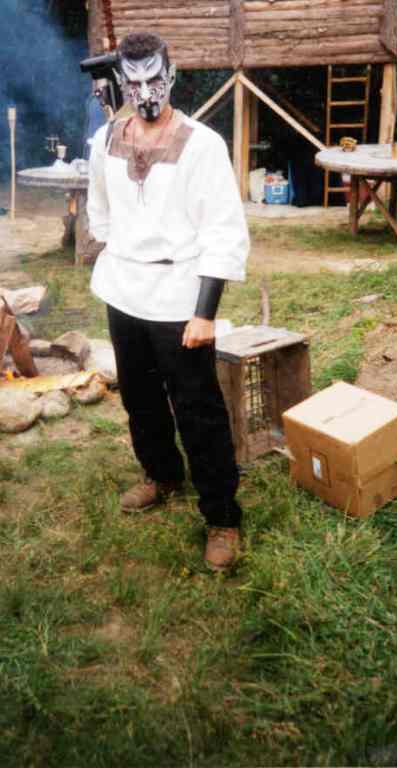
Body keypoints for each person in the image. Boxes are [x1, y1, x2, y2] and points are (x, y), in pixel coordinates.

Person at [87, 32, 250, 570]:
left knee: (197, 408)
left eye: (154, 79)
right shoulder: (106, 140)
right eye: (133, 82)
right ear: (121, 82)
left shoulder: (202, 145)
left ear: (171, 76)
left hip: (180, 298)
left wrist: (204, 312)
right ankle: (161, 474)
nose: (145, 92)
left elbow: (223, 231)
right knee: (139, 398)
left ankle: (222, 516)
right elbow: (100, 208)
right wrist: (121, 251)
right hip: (124, 289)